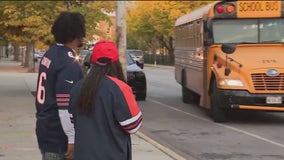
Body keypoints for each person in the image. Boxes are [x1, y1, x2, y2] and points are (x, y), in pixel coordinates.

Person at [69, 40, 142, 160]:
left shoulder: (78, 87)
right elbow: (133, 125)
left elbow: (73, 120)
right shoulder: (120, 88)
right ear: (115, 62)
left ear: (92, 61)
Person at [35, 11, 85, 160]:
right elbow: (65, 105)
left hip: (45, 128)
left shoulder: (50, 54)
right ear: (76, 33)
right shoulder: (67, 62)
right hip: (59, 135)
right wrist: (71, 138)